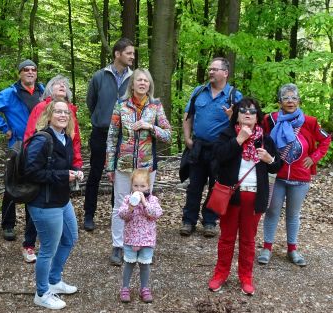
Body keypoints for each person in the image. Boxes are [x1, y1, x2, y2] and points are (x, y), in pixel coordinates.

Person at [208, 98, 281, 295]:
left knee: (248, 240)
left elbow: (277, 166)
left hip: (255, 197)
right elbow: (218, 158)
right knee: (227, 238)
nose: (248, 114)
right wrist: (238, 140)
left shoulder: (265, 139)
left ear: (257, 117)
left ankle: (246, 277)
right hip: (231, 195)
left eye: (252, 111)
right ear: (237, 115)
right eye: (243, 110)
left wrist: (269, 159)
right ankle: (220, 274)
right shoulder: (227, 135)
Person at [257, 84, 331, 267]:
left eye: (294, 98)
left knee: (293, 214)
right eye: (286, 98)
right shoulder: (270, 119)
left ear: (299, 101)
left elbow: (326, 139)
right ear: (279, 102)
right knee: (272, 211)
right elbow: (259, 135)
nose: (290, 101)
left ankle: (292, 249)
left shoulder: (310, 122)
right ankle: (267, 248)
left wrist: (314, 158)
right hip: (276, 175)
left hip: (300, 177)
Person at [105, 68, 172, 265]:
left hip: (146, 168)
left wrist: (150, 126)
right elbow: (112, 137)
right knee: (120, 205)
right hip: (123, 165)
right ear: (132, 84)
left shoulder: (155, 106)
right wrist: (110, 166)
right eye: (139, 80)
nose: (143, 83)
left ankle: (143, 244)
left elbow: (168, 135)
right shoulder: (121, 105)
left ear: (149, 85)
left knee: (145, 204)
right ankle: (118, 246)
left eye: (146, 81)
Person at [23, 100, 80, 310]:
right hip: (44, 203)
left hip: (62, 200)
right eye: (58, 112)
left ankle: (54, 281)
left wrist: (75, 171)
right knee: (48, 248)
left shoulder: (66, 138)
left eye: (66, 112)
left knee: (70, 239)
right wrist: (64, 175)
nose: (63, 115)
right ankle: (42, 293)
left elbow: (65, 165)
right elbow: (30, 172)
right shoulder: (42, 139)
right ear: (49, 115)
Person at [21, 74, 83, 263]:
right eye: (57, 83)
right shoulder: (41, 107)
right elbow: (31, 136)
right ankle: (29, 244)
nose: (62, 85)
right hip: (43, 171)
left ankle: (53, 268)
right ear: (49, 89)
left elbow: (74, 142)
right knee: (38, 204)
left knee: (65, 235)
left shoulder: (70, 111)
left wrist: (76, 166)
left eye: (65, 84)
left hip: (60, 179)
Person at [0, 59, 44, 242]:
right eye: (26, 70)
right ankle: (8, 225)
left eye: (33, 69)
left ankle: (32, 226)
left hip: (39, 144)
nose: (30, 72)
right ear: (20, 73)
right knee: (12, 184)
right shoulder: (11, 93)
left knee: (35, 184)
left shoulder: (43, 92)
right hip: (18, 144)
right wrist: (4, 128)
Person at [181, 57, 243, 237]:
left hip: (221, 150)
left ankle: (210, 221)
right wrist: (187, 138)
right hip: (198, 147)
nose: (210, 72)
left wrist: (232, 117)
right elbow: (188, 115)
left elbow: (242, 124)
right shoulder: (199, 91)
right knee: (194, 186)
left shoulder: (234, 96)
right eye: (210, 69)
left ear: (225, 73)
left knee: (216, 187)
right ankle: (188, 221)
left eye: (215, 69)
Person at [83, 38, 135, 232]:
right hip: (100, 132)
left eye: (133, 53)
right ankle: (89, 215)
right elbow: (91, 102)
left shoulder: (134, 78)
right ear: (117, 54)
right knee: (95, 173)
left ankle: (119, 214)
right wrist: (101, 118)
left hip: (124, 135)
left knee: (121, 175)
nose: (132, 56)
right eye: (129, 53)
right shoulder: (100, 76)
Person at [117, 169, 163, 303]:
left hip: (147, 240)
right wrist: (130, 208)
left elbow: (156, 214)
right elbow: (122, 215)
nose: (139, 189)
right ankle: (125, 288)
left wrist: (144, 203)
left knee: (145, 265)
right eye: (136, 186)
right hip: (131, 239)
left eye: (142, 186)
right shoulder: (127, 199)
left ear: (148, 186)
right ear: (131, 186)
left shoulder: (152, 200)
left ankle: (144, 288)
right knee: (129, 263)